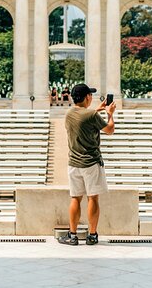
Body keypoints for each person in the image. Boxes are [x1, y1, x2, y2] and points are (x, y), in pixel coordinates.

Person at [58, 83, 116, 246]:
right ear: (86, 97)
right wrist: (110, 114)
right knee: (93, 199)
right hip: (91, 163)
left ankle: (72, 234)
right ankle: (92, 235)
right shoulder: (91, 116)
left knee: (75, 199)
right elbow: (110, 130)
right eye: (90, 95)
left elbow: (84, 117)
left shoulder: (69, 114)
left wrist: (97, 109)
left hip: (74, 163)